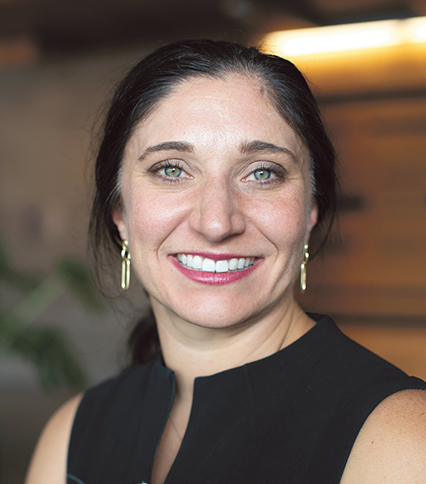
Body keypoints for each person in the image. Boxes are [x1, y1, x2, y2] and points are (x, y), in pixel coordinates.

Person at [25, 39, 426, 484]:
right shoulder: (71, 435)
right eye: (172, 169)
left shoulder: (403, 441)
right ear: (121, 214)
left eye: (262, 172)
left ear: (310, 211)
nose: (216, 222)